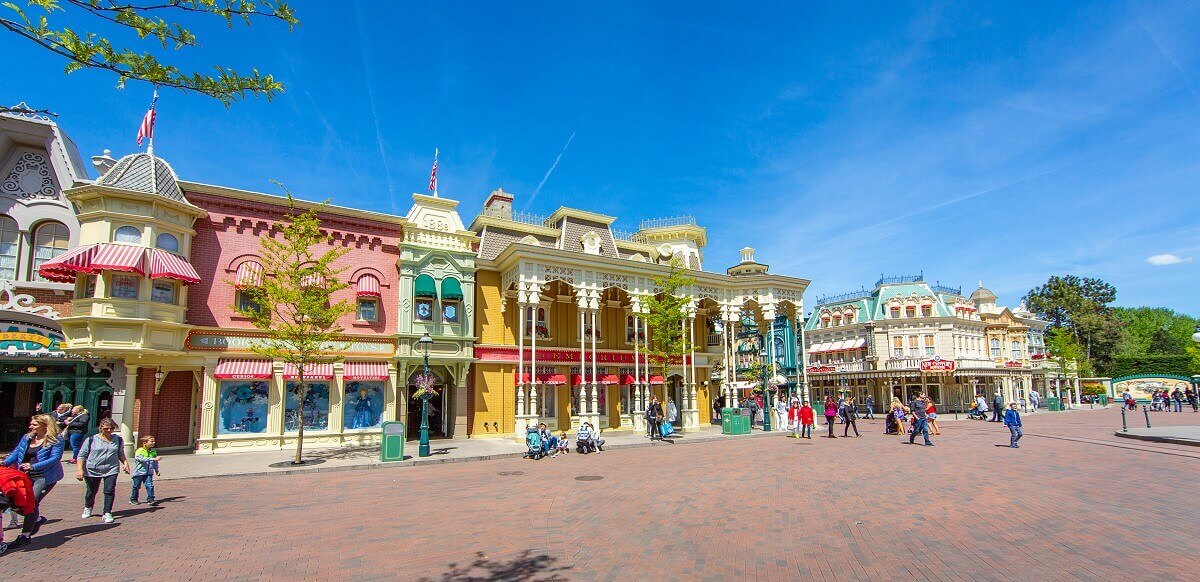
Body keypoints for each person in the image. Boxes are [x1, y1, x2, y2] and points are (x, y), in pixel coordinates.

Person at [0, 414, 65, 549]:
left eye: (34, 424)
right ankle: (37, 519)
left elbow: (55, 458)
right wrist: (5, 463)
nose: (31, 426)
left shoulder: (56, 440)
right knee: (18, 501)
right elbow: (17, 452)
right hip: (25, 475)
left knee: (32, 502)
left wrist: (34, 466)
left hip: (44, 476)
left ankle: (25, 536)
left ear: (44, 425)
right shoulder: (27, 437)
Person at [76, 418, 129, 524]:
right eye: (106, 428)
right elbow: (82, 455)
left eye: (112, 428)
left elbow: (120, 453)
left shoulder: (118, 439)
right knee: (91, 491)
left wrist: (125, 463)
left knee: (109, 490)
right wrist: (80, 470)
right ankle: (88, 506)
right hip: (93, 469)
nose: (109, 430)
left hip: (111, 468)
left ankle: (107, 512)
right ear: (100, 428)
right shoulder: (91, 440)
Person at [130, 435, 160, 505]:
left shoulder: (153, 451)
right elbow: (141, 459)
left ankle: (151, 499)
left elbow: (155, 462)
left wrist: (157, 470)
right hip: (139, 472)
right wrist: (153, 459)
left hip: (149, 472)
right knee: (136, 486)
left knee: (150, 485)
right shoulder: (139, 451)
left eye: (153, 441)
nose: (153, 443)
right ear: (144, 443)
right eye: (151, 441)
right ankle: (133, 499)